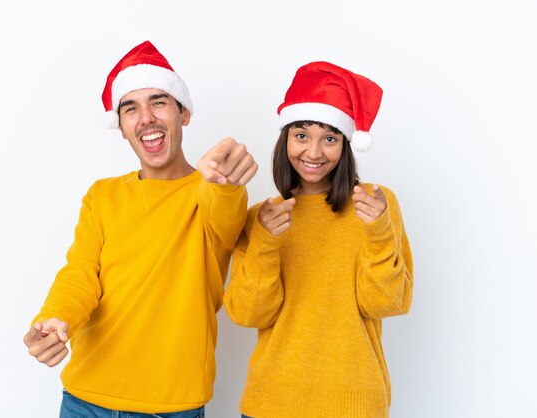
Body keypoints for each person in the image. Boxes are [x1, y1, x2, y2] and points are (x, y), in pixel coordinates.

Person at [23, 40, 258, 418]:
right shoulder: (103, 195)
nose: (146, 117)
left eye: (159, 102)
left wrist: (228, 182)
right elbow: (81, 273)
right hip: (84, 400)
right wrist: (56, 316)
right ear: (122, 128)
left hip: (170, 406)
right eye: (131, 108)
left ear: (184, 114)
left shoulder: (209, 192)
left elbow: (227, 215)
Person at [224, 61, 413, 418]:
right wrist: (265, 244)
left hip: (354, 403)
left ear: (345, 144)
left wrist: (377, 234)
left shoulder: (375, 204)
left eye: (329, 138)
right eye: (301, 135)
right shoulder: (261, 217)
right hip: (270, 402)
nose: (313, 152)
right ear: (285, 140)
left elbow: (388, 303)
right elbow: (248, 314)